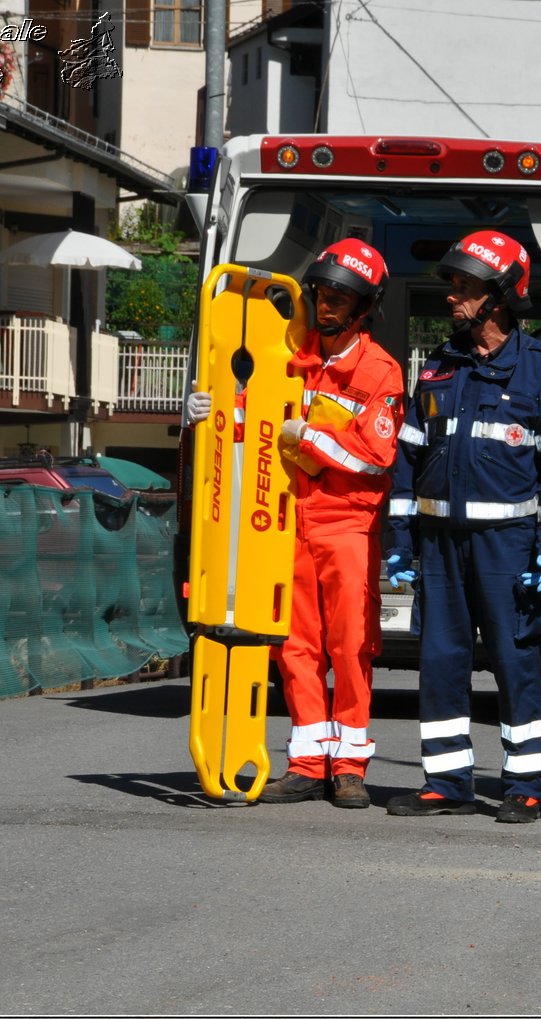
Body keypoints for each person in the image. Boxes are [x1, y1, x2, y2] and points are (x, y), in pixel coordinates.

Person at [184, 238, 404, 808]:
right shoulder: (289, 354)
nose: (328, 305)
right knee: (296, 645)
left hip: (347, 523)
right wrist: (211, 412)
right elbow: (254, 421)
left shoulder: (380, 371)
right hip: (284, 519)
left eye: (341, 297)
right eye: (324, 293)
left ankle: (350, 767)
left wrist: (310, 438)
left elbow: (374, 457)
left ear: (364, 306)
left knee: (350, 645)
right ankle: (308, 763)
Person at [383, 230, 541, 825]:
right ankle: (447, 781)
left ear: (500, 296)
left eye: (466, 287)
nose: (453, 297)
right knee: (441, 659)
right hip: (439, 546)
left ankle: (526, 783)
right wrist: (399, 542)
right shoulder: (441, 366)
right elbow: (407, 460)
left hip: (508, 547)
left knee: (514, 661)